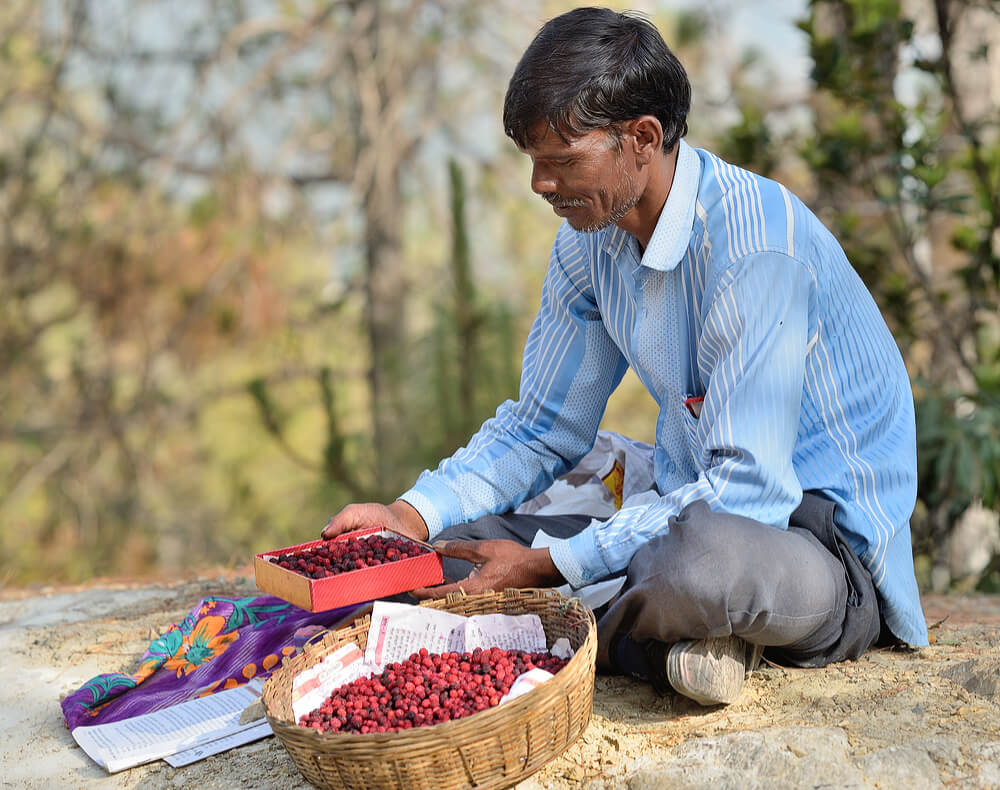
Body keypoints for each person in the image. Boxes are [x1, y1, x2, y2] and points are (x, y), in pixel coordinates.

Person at [322, 6, 928, 706]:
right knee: (452, 547)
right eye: (533, 162)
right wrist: (410, 515)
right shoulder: (589, 241)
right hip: (683, 506)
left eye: (561, 160)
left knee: (697, 568)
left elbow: (750, 497)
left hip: (810, 548)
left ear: (642, 138)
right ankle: (663, 642)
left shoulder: (757, 248)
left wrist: (551, 564)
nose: (540, 186)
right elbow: (542, 426)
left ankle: (593, 630)